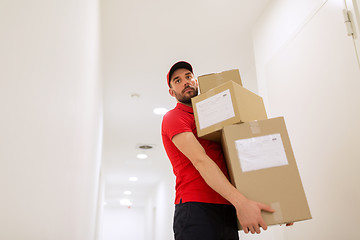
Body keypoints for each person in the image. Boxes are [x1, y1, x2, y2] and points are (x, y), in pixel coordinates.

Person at [161, 61, 291, 240]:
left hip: (227, 207)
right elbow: (201, 160)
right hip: (196, 208)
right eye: (177, 80)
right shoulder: (173, 117)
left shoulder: (212, 117)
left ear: (196, 81)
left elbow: (244, 157)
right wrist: (241, 203)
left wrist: (277, 206)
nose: (185, 82)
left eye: (188, 77)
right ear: (172, 91)